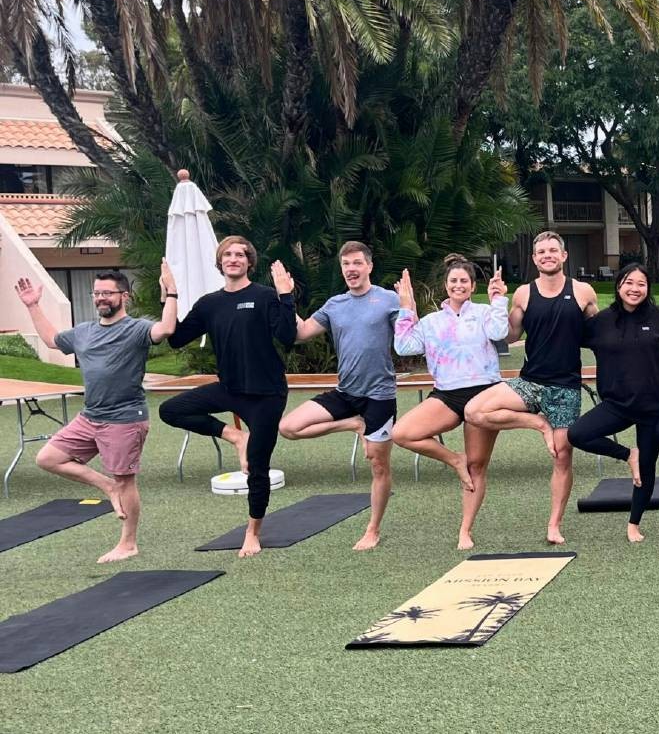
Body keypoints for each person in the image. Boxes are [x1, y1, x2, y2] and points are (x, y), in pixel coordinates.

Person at [16, 263, 177, 563]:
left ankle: (128, 543)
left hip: (125, 419)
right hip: (90, 417)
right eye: (97, 293)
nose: (101, 298)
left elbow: (166, 329)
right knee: (48, 458)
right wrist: (33, 305)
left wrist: (172, 292)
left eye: (108, 293)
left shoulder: (137, 329)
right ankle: (106, 486)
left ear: (124, 296)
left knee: (126, 480)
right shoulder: (85, 332)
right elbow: (53, 340)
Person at [160, 236, 297, 557]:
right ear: (220, 262)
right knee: (171, 410)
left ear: (249, 262)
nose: (233, 259)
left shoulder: (264, 296)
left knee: (258, 469)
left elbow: (288, 336)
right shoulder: (210, 304)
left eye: (240, 255)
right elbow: (176, 339)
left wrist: (286, 295)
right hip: (229, 389)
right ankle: (236, 436)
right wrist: (170, 293)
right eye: (227, 254)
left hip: (266, 394)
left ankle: (253, 531)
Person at [464, 231, 599, 546]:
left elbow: (599, 332)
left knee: (563, 456)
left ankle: (554, 525)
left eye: (553, 250)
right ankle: (538, 424)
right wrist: (496, 300)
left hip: (565, 388)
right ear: (534, 258)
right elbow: (509, 337)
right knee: (474, 410)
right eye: (541, 252)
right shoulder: (524, 294)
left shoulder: (583, 292)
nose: (547, 255)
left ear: (564, 256)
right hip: (530, 382)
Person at [566, 265, 659, 543]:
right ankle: (626, 454)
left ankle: (634, 524)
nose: (635, 289)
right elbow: (566, 336)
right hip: (617, 403)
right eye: (629, 282)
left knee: (647, 468)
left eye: (641, 284)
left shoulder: (656, 316)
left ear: (648, 289)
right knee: (578, 434)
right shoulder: (600, 322)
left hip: (654, 405)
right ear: (619, 286)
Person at [277, 241, 403, 550]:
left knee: (378, 465)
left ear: (369, 266)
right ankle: (354, 424)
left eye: (357, 263)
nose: (351, 269)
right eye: (346, 265)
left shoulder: (388, 299)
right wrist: (286, 297)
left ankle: (373, 529)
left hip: (380, 395)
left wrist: (409, 306)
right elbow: (302, 333)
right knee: (288, 427)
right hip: (345, 393)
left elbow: (408, 338)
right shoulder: (335, 305)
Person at [391, 254, 509, 550]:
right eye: (454, 281)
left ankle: (465, 530)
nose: (459, 285)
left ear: (472, 286)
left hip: (484, 393)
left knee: (477, 466)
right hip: (447, 393)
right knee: (402, 433)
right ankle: (454, 459)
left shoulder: (483, 313)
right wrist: (406, 308)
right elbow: (404, 346)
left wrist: (498, 300)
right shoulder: (432, 321)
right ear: (446, 285)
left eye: (464, 281)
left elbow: (499, 333)